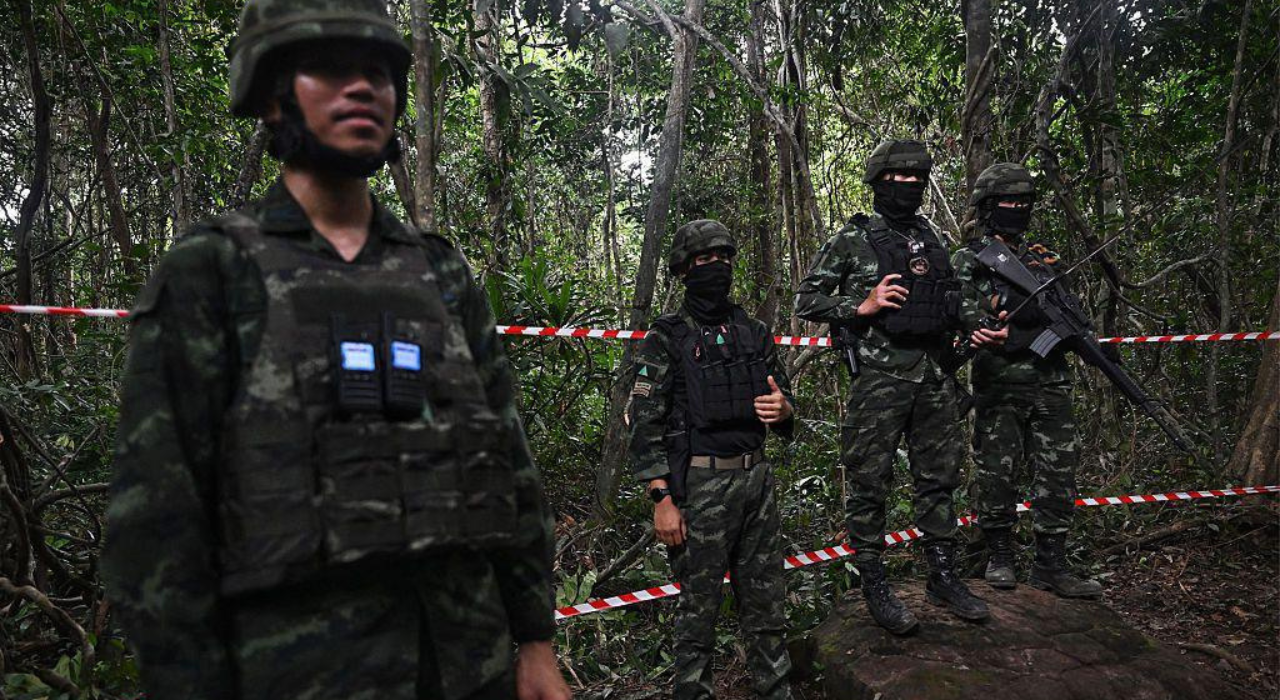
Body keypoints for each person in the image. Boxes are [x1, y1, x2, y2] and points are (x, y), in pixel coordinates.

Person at [101, 2, 572, 698]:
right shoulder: (212, 271)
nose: (362, 88)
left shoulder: (440, 272)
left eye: (378, 72)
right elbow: (158, 517)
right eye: (329, 69)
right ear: (271, 95)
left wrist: (534, 640)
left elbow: (507, 461)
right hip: (294, 672)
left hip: (465, 662)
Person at [794, 139, 1006, 635]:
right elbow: (807, 298)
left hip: (935, 378)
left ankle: (942, 575)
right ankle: (874, 582)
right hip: (880, 383)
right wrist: (860, 304)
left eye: (917, 178)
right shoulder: (854, 237)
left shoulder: (931, 239)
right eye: (898, 178)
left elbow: (950, 303)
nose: (909, 186)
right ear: (877, 183)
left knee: (939, 481)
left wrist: (980, 326)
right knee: (870, 483)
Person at [627, 219, 796, 699]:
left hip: (755, 481)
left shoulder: (754, 332)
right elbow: (645, 423)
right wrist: (661, 497)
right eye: (704, 260)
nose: (716, 267)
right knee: (698, 611)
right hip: (700, 487)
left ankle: (775, 691)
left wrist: (784, 411)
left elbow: (783, 406)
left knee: (766, 604)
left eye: (723, 258)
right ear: (684, 270)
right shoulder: (667, 337)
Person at [951, 162, 1102, 599]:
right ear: (986, 207)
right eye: (1006, 202)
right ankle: (1000, 555)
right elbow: (963, 312)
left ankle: (1051, 563)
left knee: (1058, 471)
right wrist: (1005, 325)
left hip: (1052, 381)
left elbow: (1072, 311)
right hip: (1000, 380)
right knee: (997, 469)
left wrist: (1091, 343)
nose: (1016, 208)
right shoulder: (971, 258)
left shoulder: (1044, 258)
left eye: (1023, 202)